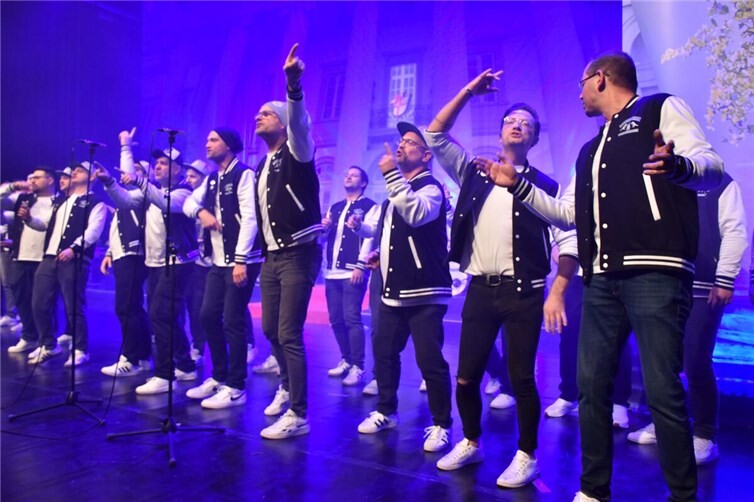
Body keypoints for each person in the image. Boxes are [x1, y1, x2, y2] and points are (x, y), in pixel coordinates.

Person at [477, 51, 724, 501]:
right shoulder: (590, 150)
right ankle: (592, 491)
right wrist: (518, 185)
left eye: (582, 84)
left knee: (663, 390)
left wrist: (679, 166)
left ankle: (683, 495)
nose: (578, 94)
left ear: (602, 79)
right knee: (591, 388)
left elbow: (710, 164)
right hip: (602, 279)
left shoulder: (660, 108)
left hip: (656, 272)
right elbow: (569, 214)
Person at [424, 72, 578, 488]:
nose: (518, 125)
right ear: (500, 130)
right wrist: (467, 92)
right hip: (480, 288)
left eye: (527, 124)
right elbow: (435, 135)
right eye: (511, 120)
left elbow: (569, 239)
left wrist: (558, 291)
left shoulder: (545, 185)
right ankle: (471, 442)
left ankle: (527, 455)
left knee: (522, 378)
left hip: (523, 292)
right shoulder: (475, 172)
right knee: (466, 376)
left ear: (534, 138)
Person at [627, 173, 747, 465]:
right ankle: (664, 424)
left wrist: (725, 277)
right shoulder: (661, 178)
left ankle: (705, 435)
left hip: (704, 286)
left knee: (695, 360)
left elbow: (734, 231)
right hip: (664, 282)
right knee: (659, 359)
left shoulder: (719, 181)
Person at [355, 122, 454, 454]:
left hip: (425, 290)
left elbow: (416, 214)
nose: (401, 145)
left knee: (429, 360)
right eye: (401, 141)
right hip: (394, 289)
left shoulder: (431, 187)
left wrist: (390, 175)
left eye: (410, 143)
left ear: (426, 156)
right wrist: (380, 255)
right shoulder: (395, 192)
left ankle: (442, 424)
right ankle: (386, 410)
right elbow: (393, 234)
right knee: (384, 352)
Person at [254, 44, 323, 439]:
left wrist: (293, 86)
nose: (257, 117)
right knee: (269, 329)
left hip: (298, 252)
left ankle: (298, 413)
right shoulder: (262, 164)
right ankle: (285, 385)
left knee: (288, 332)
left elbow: (300, 125)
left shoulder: (297, 150)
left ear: (282, 124)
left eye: (266, 113)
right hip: (272, 257)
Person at [98, 147, 199, 394]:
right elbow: (125, 201)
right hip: (155, 262)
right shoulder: (151, 191)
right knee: (165, 317)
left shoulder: (184, 192)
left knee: (160, 316)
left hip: (176, 262)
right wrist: (109, 182)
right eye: (158, 163)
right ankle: (185, 366)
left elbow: (165, 203)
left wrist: (139, 180)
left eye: (164, 163)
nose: (159, 167)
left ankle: (165, 375)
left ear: (177, 169)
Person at [183, 127, 262, 409]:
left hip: (242, 260)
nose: (207, 143)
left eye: (213, 139)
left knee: (232, 320)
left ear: (228, 145)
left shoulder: (244, 174)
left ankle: (236, 386)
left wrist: (240, 259)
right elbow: (189, 202)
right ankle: (219, 376)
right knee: (207, 316)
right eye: (207, 138)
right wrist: (201, 211)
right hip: (217, 260)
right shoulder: (213, 179)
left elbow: (251, 218)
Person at [25, 162, 107, 366]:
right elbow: (46, 225)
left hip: (73, 258)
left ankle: (80, 349)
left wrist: (75, 248)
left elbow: (94, 230)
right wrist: (29, 219)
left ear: (91, 177)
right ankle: (48, 344)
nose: (75, 172)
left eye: (80, 171)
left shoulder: (95, 202)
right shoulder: (61, 201)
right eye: (75, 171)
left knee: (73, 305)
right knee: (39, 302)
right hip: (50, 257)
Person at [98, 128, 152, 377]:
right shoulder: (127, 199)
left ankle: (132, 358)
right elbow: (117, 229)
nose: (131, 175)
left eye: (139, 172)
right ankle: (141, 356)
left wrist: (125, 146)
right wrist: (110, 251)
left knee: (126, 306)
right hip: (123, 253)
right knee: (131, 306)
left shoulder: (142, 193)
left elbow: (126, 176)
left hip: (134, 254)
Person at [322, 166, 378, 386]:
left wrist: (360, 266)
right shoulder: (335, 207)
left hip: (353, 270)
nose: (348, 176)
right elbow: (324, 239)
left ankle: (358, 366)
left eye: (353, 175)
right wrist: (324, 228)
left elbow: (370, 237)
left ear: (363, 183)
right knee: (336, 319)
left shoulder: (370, 206)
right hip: (332, 271)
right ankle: (346, 359)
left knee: (352, 318)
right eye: (347, 174)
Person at [1, 168, 58, 353]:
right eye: (31, 178)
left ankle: (46, 341)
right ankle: (28, 336)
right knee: (21, 297)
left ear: (50, 180)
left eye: (37, 177)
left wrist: (30, 218)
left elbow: (46, 225)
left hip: (44, 257)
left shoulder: (58, 201)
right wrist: (13, 186)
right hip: (20, 255)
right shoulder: (24, 199)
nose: (32, 181)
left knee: (43, 302)